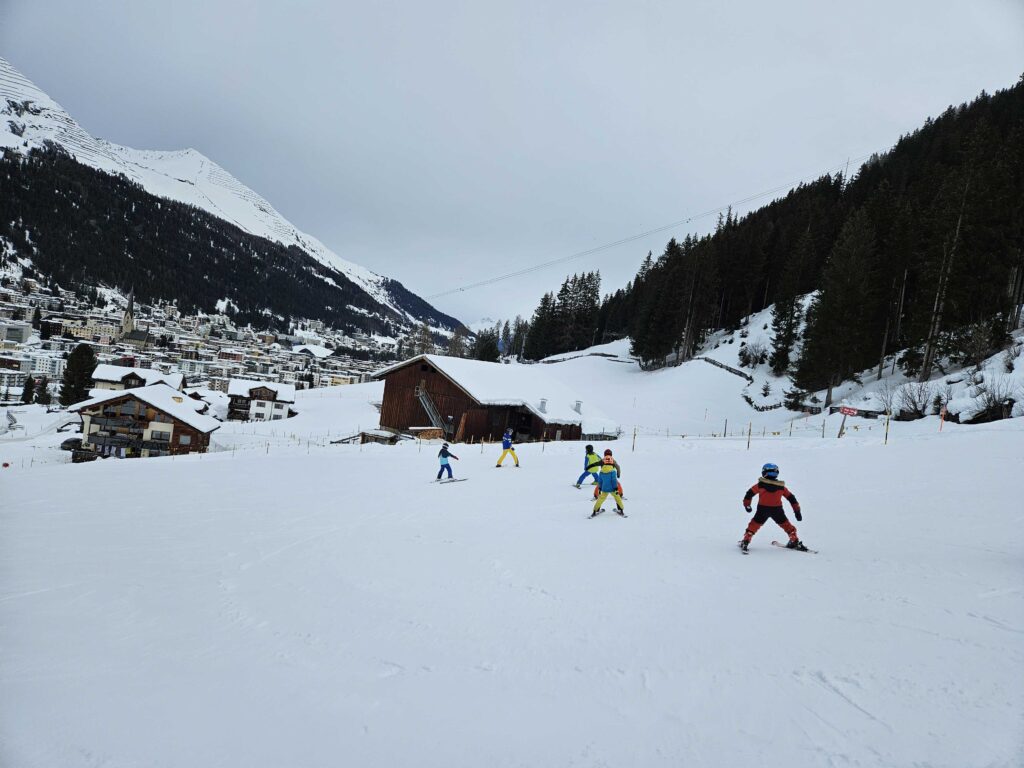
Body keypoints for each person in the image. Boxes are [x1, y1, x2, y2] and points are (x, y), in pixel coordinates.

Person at [739, 462, 807, 551]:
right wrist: (797, 511)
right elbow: (791, 498)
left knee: (754, 524)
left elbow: (749, 494)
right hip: (777, 510)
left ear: (764, 473)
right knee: (786, 525)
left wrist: (747, 505)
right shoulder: (781, 487)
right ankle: (794, 539)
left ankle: (746, 539)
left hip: (762, 510)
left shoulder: (760, 485)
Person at [589, 449, 625, 517]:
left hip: (604, 484)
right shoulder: (613, 461)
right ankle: (621, 509)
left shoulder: (602, 464)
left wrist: (600, 487)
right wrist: (618, 475)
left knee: (601, 498)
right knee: (617, 497)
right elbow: (617, 469)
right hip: (612, 485)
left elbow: (600, 480)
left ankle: (595, 510)